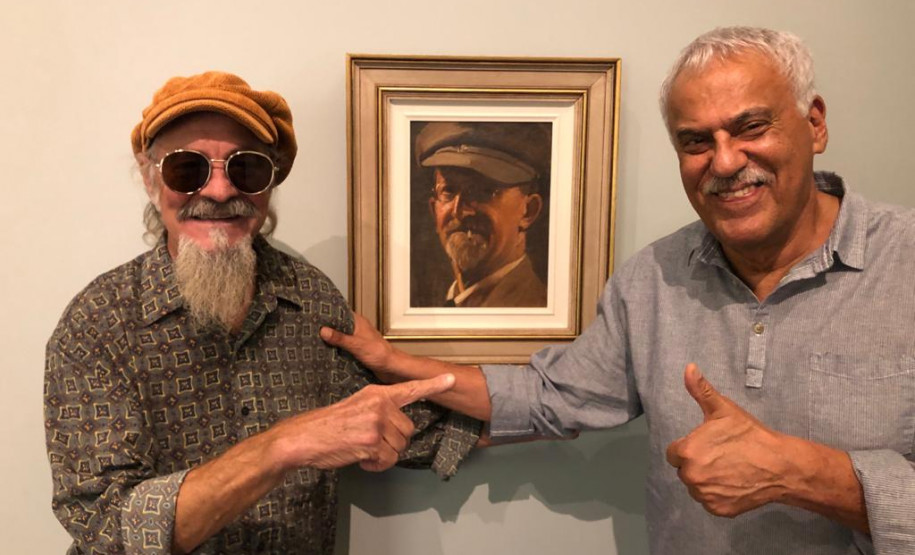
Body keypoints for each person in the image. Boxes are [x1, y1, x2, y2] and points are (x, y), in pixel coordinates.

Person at [323, 27, 915, 554]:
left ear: (815, 123)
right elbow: (552, 394)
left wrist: (803, 475)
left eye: (751, 127)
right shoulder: (653, 277)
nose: (726, 161)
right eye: (695, 141)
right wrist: (394, 361)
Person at [44, 71, 480, 555]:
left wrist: (555, 403)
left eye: (245, 168)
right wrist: (283, 445)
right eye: (186, 170)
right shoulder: (97, 323)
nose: (217, 191)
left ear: (270, 183)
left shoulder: (310, 298)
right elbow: (106, 527)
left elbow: (413, 424)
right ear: (151, 181)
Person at [412, 121, 551, 307]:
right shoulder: (451, 302)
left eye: (484, 191)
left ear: (528, 211)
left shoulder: (535, 307)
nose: (459, 211)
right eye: (449, 191)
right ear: (433, 209)